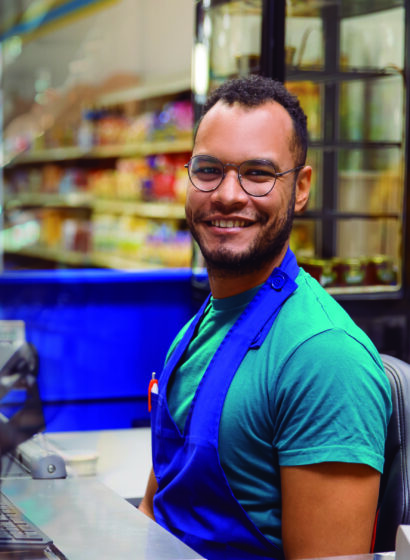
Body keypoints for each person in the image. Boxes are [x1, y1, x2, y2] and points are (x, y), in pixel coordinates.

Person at [137, 74, 392, 560]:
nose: (228, 195)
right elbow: (156, 510)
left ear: (301, 188)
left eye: (258, 174)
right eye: (209, 170)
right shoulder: (198, 330)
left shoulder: (324, 358)